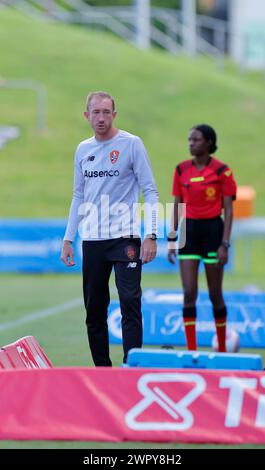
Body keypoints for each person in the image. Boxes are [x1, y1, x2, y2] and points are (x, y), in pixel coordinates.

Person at [61, 91, 158, 366]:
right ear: (86, 115)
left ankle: (132, 366)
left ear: (114, 114)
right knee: (94, 310)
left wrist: (151, 234)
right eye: (96, 112)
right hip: (91, 240)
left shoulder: (131, 144)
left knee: (129, 301)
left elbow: (150, 190)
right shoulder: (82, 149)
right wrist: (69, 238)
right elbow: (78, 196)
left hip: (125, 237)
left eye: (106, 112)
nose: (101, 118)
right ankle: (102, 371)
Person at [168, 124, 237, 352]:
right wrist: (171, 239)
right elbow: (177, 205)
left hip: (213, 232)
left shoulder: (222, 172)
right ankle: (192, 351)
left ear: (208, 142)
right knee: (189, 293)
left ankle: (222, 349)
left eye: (196, 140)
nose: (191, 143)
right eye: (189, 139)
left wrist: (224, 244)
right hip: (189, 232)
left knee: (215, 293)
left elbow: (228, 209)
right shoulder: (180, 170)